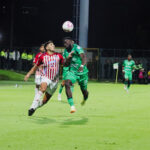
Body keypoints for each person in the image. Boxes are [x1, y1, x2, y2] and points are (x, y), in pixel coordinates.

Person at [24, 41, 63, 116]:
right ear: (47, 47)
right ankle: (32, 106)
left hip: (55, 81)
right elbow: (35, 67)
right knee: (43, 89)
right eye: (51, 44)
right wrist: (28, 74)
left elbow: (64, 64)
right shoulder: (42, 57)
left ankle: (35, 107)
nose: (53, 45)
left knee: (45, 101)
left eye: (53, 44)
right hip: (46, 77)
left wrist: (68, 59)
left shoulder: (59, 56)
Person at [63, 37, 89, 113]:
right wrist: (68, 58)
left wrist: (81, 66)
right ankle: (72, 106)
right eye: (64, 42)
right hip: (73, 72)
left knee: (84, 91)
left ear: (71, 42)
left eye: (67, 41)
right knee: (67, 83)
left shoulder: (77, 47)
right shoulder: (65, 52)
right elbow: (65, 65)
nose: (65, 43)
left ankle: (85, 98)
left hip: (82, 73)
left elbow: (83, 57)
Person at [32, 44, 45, 110]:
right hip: (38, 72)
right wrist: (38, 66)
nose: (42, 48)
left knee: (43, 85)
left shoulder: (46, 55)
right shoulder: (38, 55)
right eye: (42, 47)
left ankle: (38, 97)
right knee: (37, 85)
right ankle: (36, 96)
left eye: (43, 47)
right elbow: (34, 63)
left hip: (45, 73)